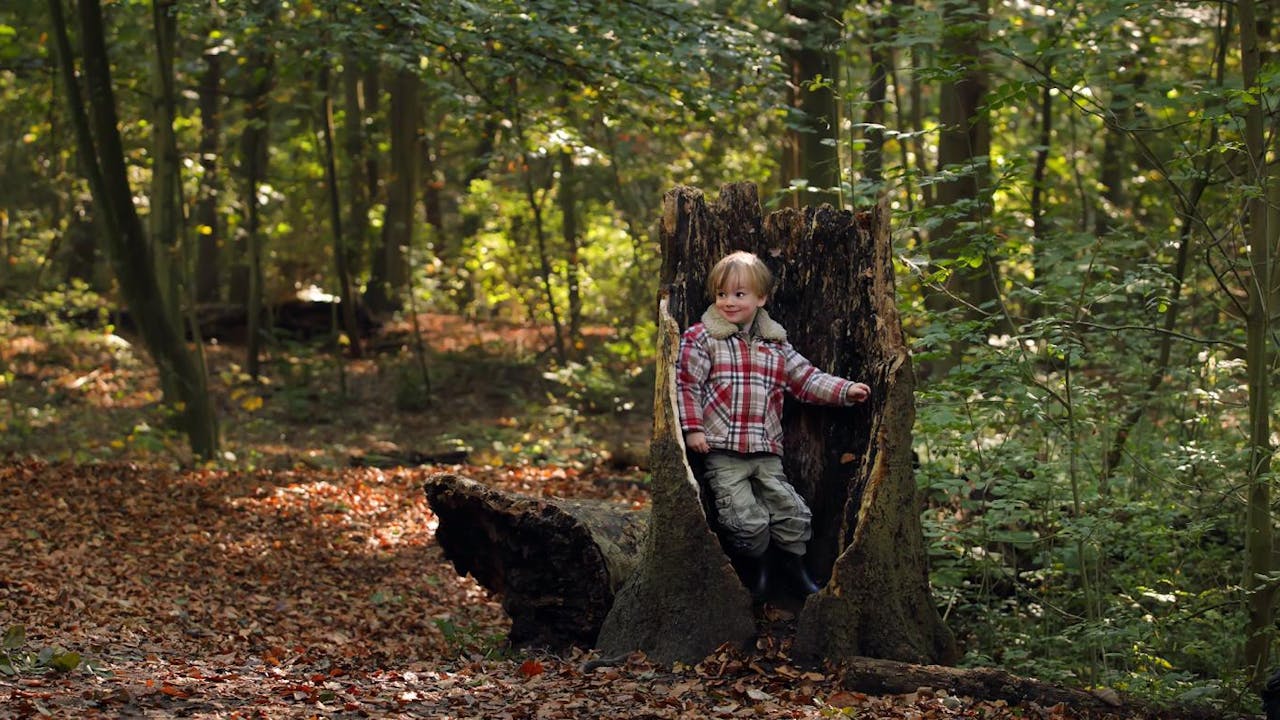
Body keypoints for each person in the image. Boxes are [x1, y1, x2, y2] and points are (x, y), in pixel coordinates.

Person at [676, 250, 870, 597]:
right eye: (722, 294)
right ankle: (758, 572)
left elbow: (807, 379)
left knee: (791, 513)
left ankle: (795, 572)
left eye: (739, 294)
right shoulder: (703, 338)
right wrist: (693, 429)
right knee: (745, 519)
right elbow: (687, 384)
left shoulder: (776, 345)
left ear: (761, 298)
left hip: (766, 449)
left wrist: (845, 390)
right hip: (723, 449)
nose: (729, 302)